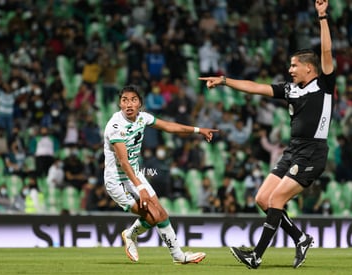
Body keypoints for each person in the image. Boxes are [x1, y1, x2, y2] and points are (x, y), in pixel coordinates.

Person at [199, 0, 334, 269]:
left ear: (309, 67)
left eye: (294, 66)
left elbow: (327, 49)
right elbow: (255, 87)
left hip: (312, 152)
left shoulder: (324, 84)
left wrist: (322, 16)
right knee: (262, 199)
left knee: (276, 200)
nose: (290, 69)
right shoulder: (290, 89)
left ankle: (256, 256)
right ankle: (300, 238)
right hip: (293, 150)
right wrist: (225, 80)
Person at [103, 85, 217, 264]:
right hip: (118, 180)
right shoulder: (115, 126)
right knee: (153, 216)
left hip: (135, 175)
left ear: (140, 103)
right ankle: (131, 235)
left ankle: (178, 256)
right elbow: (124, 162)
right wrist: (140, 187)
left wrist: (198, 130)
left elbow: (169, 126)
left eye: (133, 99)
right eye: (124, 100)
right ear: (120, 104)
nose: (129, 104)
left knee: (162, 214)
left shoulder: (143, 118)